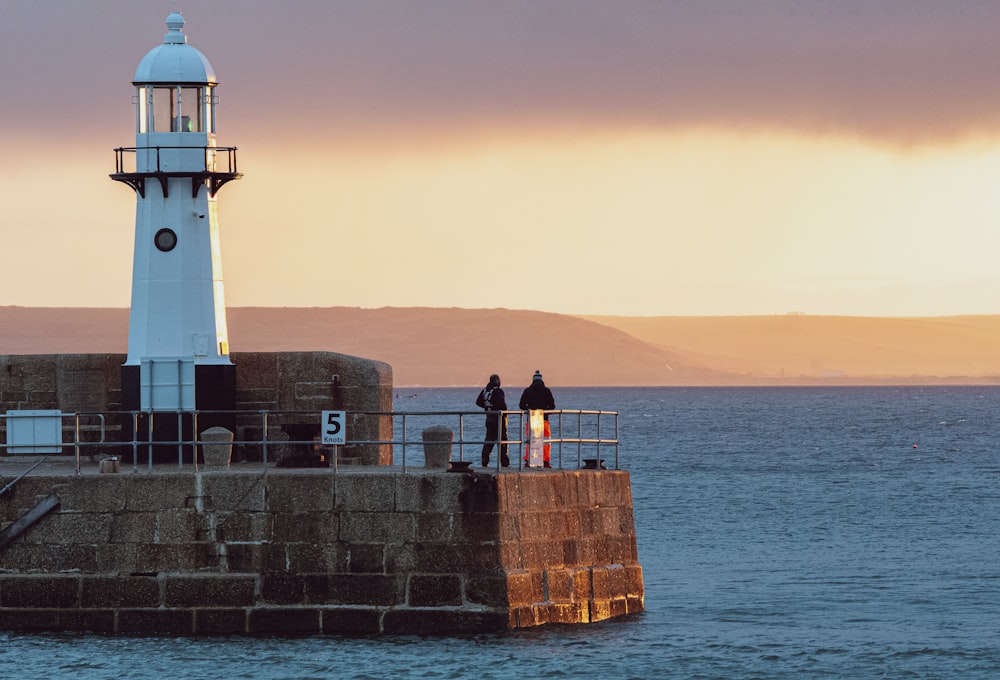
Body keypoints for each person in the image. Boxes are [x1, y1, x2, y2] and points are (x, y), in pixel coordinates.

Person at [519, 370, 555, 467]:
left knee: (530, 440)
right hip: (544, 419)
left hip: (531, 419)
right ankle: (546, 461)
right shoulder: (547, 391)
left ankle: (528, 460)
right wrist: (544, 411)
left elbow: (521, 405)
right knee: (546, 441)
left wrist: (530, 409)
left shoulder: (527, 391)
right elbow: (552, 406)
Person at [476, 374, 509, 468]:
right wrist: (504, 413)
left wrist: (487, 407)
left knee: (489, 440)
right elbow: (501, 404)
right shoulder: (497, 391)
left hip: (489, 418)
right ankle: (504, 462)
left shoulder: (485, 391)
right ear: (497, 381)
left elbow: (478, 402)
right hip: (498, 419)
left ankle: (485, 461)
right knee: (502, 441)